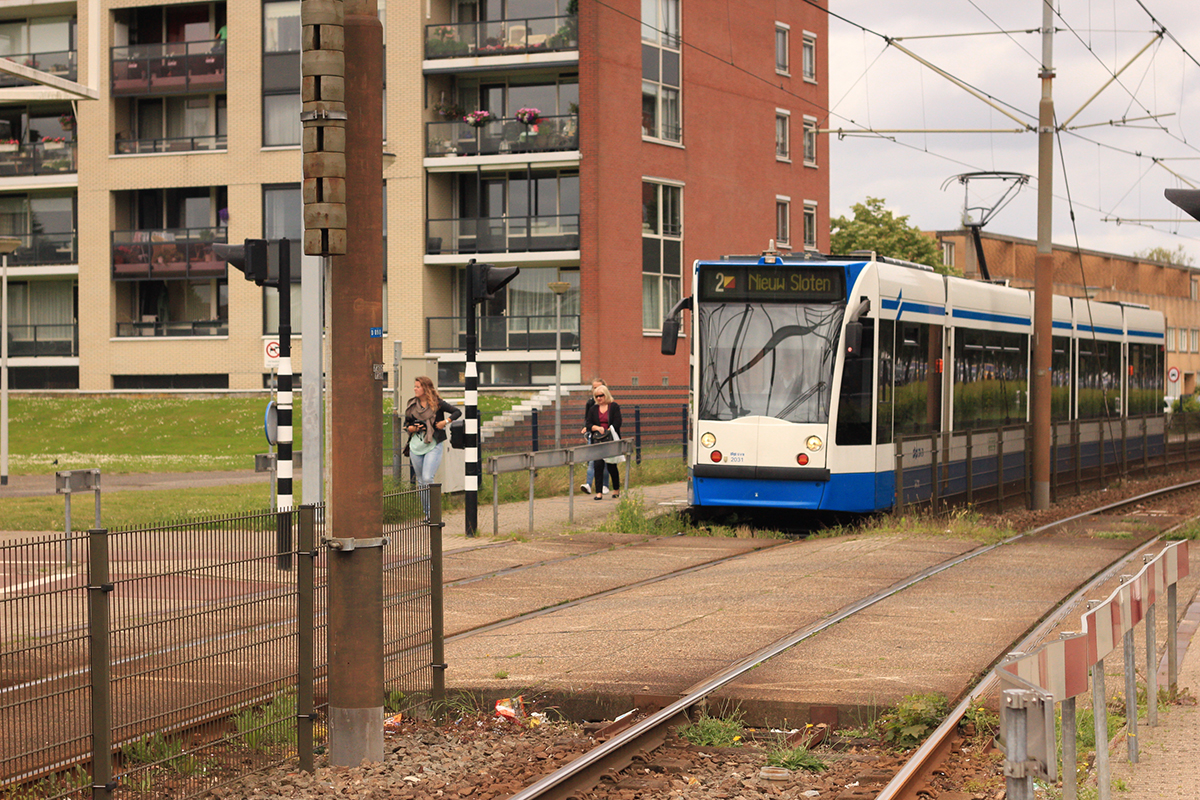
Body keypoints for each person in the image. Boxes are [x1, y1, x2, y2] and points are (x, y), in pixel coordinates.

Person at [403, 376, 462, 516]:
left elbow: (457, 412)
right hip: (416, 445)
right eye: (415, 386)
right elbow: (406, 424)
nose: (415, 389)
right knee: (421, 481)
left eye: (418, 386)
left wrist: (445, 422)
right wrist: (411, 428)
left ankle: (433, 513)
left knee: (428, 477)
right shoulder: (412, 404)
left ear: (425, 388)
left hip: (433, 444)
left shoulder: (437, 404)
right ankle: (427, 513)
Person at [584, 384, 622, 500]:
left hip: (610, 439)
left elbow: (618, 421)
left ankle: (616, 489)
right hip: (598, 439)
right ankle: (598, 492)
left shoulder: (614, 407)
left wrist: (610, 429)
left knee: (611, 466)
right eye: (597, 396)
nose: (599, 398)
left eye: (601, 396)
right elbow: (588, 424)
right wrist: (596, 428)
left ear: (606, 395)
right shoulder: (593, 409)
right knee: (598, 465)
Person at [579, 378, 609, 495]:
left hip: (605, 436)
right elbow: (587, 419)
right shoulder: (590, 403)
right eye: (594, 388)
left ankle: (605, 485)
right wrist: (587, 427)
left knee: (605, 461)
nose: (596, 391)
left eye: (599, 388)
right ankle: (588, 484)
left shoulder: (609, 404)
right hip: (594, 435)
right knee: (592, 460)